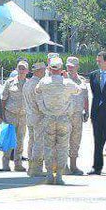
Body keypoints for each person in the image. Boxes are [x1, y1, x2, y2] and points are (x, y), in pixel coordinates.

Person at [35, 56, 76, 185]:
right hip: (64, 118)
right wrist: (66, 78)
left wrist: (43, 107)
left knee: (48, 147)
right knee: (63, 147)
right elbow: (78, 90)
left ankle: (49, 175)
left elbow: (37, 91)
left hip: (48, 118)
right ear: (61, 69)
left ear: (49, 68)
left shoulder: (44, 82)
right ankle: (59, 175)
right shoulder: (67, 83)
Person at [0, 60, 29, 171]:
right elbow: (3, 99)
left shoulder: (29, 83)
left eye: (23, 68)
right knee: (8, 140)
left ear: (27, 70)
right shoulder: (10, 82)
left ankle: (18, 164)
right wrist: (1, 114)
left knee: (20, 141)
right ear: (17, 69)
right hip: (10, 115)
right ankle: (5, 163)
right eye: (19, 68)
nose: (21, 70)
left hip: (23, 116)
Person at [23, 61, 48, 177]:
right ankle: (37, 168)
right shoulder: (38, 85)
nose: (45, 72)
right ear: (39, 71)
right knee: (39, 142)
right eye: (43, 70)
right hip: (39, 117)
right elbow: (40, 104)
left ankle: (30, 167)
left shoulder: (27, 83)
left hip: (29, 116)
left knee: (31, 141)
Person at [65, 56, 89, 175]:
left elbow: (85, 96)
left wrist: (87, 111)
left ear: (77, 67)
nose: (70, 69)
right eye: (68, 66)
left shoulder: (82, 81)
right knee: (64, 140)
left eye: (72, 67)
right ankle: (63, 166)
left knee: (75, 140)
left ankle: (73, 165)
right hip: (66, 114)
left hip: (78, 114)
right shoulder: (63, 79)